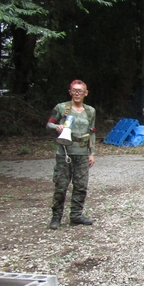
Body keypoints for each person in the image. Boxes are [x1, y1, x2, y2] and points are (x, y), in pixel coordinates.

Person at [46, 79, 96, 229]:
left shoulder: (90, 111)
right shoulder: (62, 108)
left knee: (81, 186)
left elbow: (92, 133)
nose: (77, 93)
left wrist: (92, 153)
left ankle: (76, 216)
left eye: (80, 91)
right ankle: (56, 217)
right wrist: (57, 127)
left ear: (86, 93)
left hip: (82, 153)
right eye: (74, 90)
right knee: (61, 186)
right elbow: (49, 123)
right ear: (70, 92)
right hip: (65, 153)